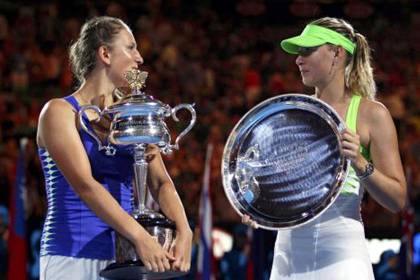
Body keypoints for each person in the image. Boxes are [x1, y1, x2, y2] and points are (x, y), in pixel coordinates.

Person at [243, 17, 407, 279]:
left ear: (337, 53)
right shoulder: (293, 113)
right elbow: (278, 185)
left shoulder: (372, 114)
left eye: (307, 50)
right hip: (287, 257)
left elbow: (397, 199)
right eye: (298, 53)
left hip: (342, 257)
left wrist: (360, 163)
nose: (298, 59)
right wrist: (259, 207)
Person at [36, 16, 192, 279]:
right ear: (105, 53)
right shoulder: (59, 112)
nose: (139, 58)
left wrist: (185, 230)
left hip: (126, 256)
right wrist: (140, 236)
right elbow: (86, 185)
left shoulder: (130, 115)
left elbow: (162, 183)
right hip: (72, 256)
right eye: (130, 47)